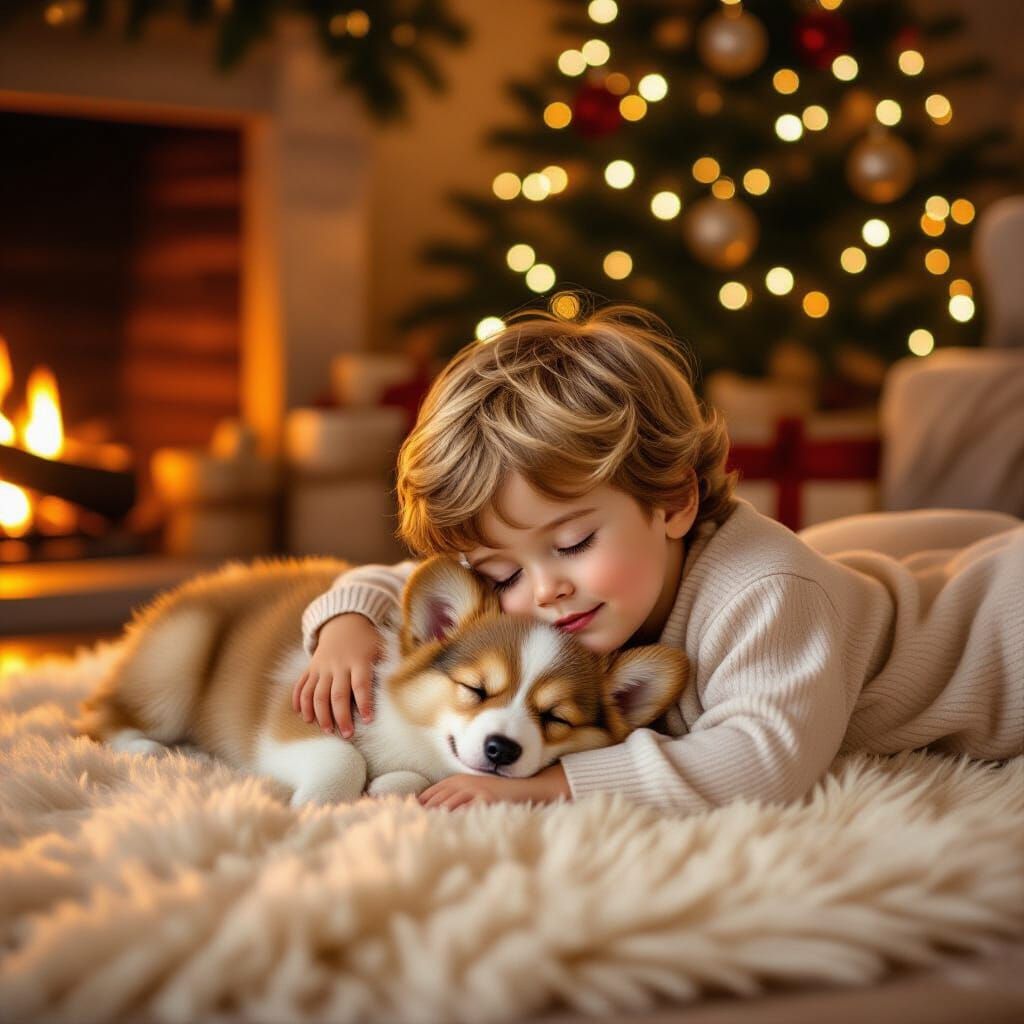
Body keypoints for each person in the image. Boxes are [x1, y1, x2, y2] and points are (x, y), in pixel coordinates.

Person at [292, 303, 1024, 812]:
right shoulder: (599, 589)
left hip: (1002, 643)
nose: (543, 592)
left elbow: (763, 760)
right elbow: (423, 587)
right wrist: (348, 619)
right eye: (502, 574)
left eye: (573, 544)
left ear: (674, 501)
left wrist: (556, 787)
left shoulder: (764, 592)